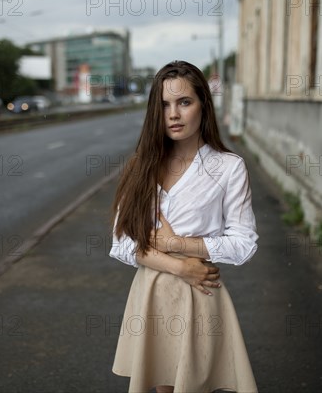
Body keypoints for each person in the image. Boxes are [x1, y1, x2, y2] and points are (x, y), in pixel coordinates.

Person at [109, 60, 258, 393]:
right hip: (151, 294)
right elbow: (121, 243)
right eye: (164, 105)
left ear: (203, 105)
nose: (173, 114)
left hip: (198, 292)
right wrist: (178, 266)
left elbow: (244, 243)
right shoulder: (140, 166)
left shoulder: (228, 168)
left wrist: (177, 244)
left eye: (184, 102)